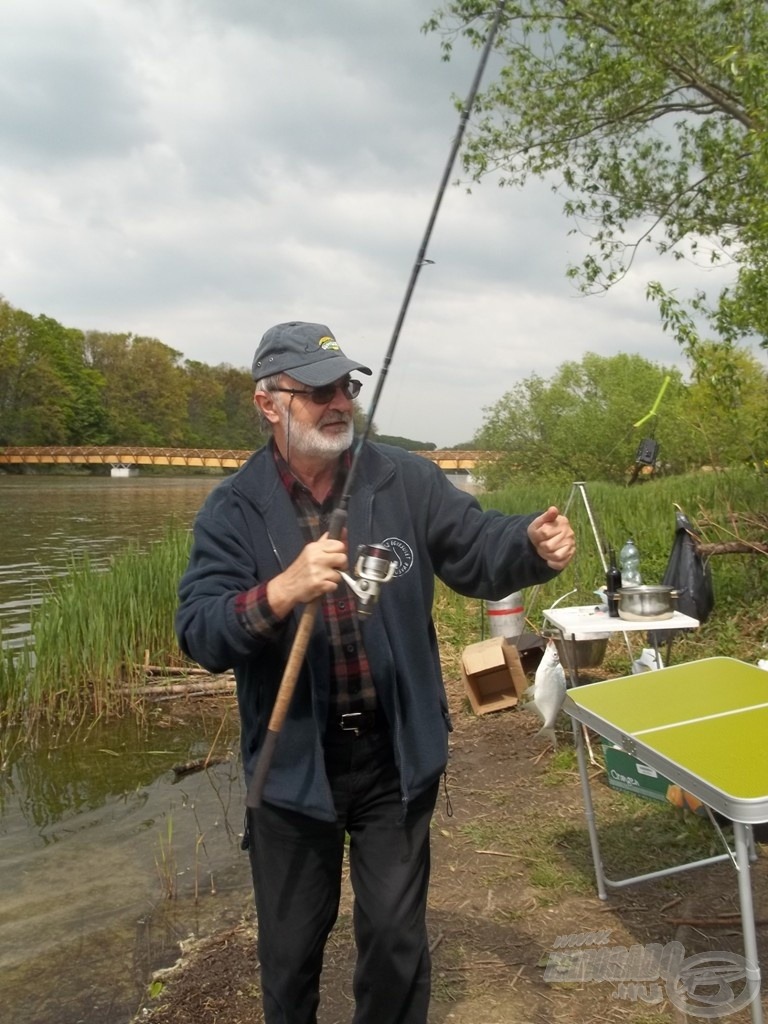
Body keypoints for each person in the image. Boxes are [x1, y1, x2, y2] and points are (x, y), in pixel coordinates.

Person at [175, 320, 576, 1024]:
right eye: (318, 390)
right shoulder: (233, 509)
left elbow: (477, 549)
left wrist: (529, 545)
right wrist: (279, 592)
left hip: (394, 756)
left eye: (346, 386)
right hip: (294, 769)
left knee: (395, 939)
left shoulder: (403, 478)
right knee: (291, 953)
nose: (339, 402)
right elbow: (201, 630)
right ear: (268, 403)